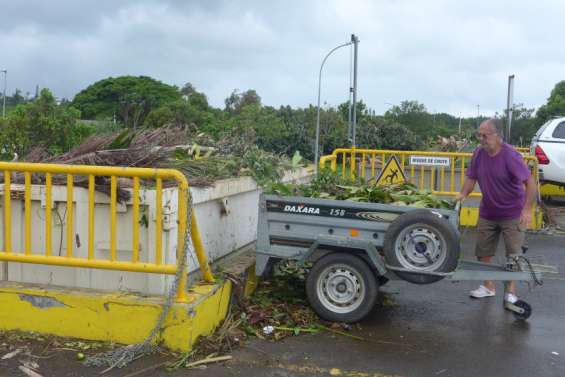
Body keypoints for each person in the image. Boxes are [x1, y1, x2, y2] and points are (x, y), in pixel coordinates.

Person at [456, 118, 536, 309]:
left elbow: (530, 183)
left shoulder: (511, 156)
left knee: (513, 255)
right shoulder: (478, 153)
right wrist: (462, 195)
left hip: (512, 213)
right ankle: (488, 286)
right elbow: (471, 177)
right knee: (483, 252)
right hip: (488, 211)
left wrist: (527, 210)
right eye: (479, 135)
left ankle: (510, 293)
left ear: (498, 136)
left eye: (485, 135)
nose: (481, 139)